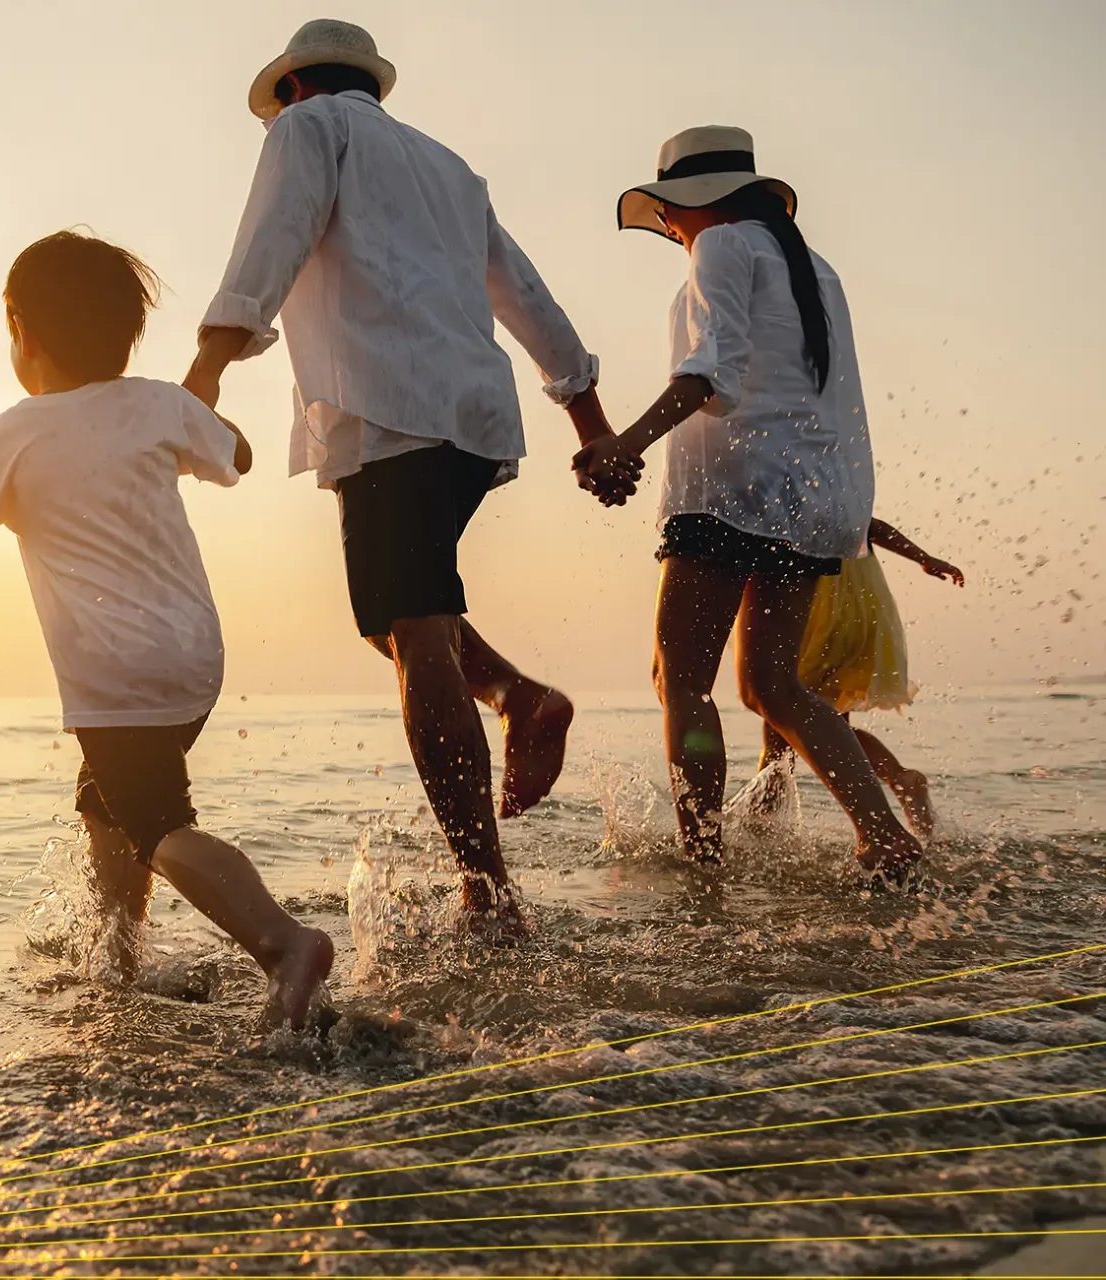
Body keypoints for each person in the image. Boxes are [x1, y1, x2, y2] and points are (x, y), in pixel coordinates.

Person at [182, 18, 615, 937]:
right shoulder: (450, 169)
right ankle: (519, 698)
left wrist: (206, 372)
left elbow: (271, 242)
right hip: (471, 418)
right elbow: (525, 293)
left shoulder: (307, 129)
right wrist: (589, 419)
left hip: (388, 407)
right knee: (401, 612)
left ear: (293, 88)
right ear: (369, 84)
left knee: (412, 630)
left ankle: (488, 892)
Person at [0, 230, 335, 1030]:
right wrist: (198, 417)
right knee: (106, 802)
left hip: (117, 675)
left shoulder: (11, 435)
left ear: (20, 330)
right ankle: (120, 957)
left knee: (156, 823)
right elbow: (238, 456)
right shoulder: (158, 404)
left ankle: (282, 943)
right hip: (194, 660)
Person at [573, 126, 924, 882]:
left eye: (667, 209)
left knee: (681, 681)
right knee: (772, 685)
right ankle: (883, 835)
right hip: (811, 501)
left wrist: (625, 443)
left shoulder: (722, 245)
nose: (668, 225)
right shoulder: (815, 267)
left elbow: (712, 375)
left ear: (697, 201)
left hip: (732, 492)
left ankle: (702, 861)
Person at [747, 517, 966, 838]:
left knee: (780, 707)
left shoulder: (793, 498)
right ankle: (898, 779)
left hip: (816, 611)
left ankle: (763, 818)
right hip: (860, 610)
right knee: (827, 721)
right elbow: (873, 526)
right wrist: (923, 558)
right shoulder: (843, 498)